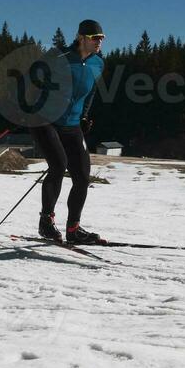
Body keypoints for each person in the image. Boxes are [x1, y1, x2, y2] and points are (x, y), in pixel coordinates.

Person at [34, 19, 107, 245]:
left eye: (101, 38)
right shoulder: (58, 58)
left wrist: (84, 115)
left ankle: (73, 229)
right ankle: (46, 221)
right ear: (81, 37)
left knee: (82, 176)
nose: (99, 42)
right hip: (46, 120)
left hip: (72, 124)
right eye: (95, 38)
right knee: (58, 165)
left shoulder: (97, 64)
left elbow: (90, 93)